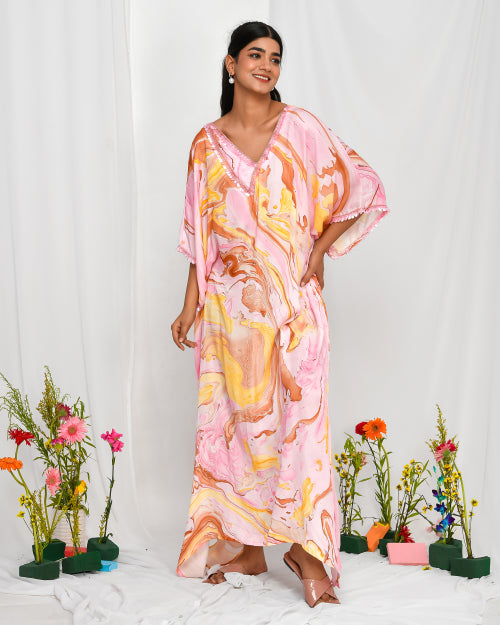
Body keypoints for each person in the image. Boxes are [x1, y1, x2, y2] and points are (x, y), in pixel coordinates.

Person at [171, 21, 388, 607]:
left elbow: (362, 185)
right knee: (238, 431)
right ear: (231, 64)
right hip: (230, 316)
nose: (266, 66)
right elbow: (199, 236)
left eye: (274, 58)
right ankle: (247, 547)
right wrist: (189, 307)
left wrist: (318, 252)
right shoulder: (204, 143)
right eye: (255, 55)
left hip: (294, 306)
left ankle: (308, 552)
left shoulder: (300, 127)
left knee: (301, 427)